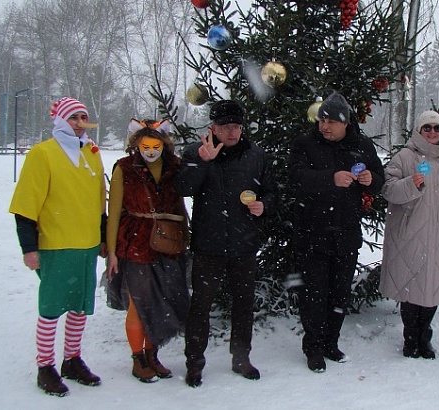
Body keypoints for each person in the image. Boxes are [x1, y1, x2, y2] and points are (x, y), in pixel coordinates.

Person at [176, 100, 277, 388]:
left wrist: (263, 205)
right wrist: (202, 162)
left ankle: (241, 358)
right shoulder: (196, 153)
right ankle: (194, 362)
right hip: (208, 245)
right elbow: (182, 188)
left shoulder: (256, 156)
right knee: (200, 305)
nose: (233, 133)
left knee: (243, 305)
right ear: (213, 128)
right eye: (226, 127)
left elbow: (272, 193)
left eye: (237, 127)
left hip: (243, 244)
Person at [9, 97, 106, 397]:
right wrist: (29, 247)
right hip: (56, 245)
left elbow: (99, 202)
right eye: (73, 117)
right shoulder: (43, 154)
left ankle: (72, 360)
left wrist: (103, 239)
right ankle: (45, 366)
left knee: (79, 307)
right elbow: (26, 206)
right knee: (51, 308)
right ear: (61, 120)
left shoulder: (92, 153)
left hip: (87, 245)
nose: (79, 123)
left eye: (83, 117)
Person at [289, 91, 385, 373]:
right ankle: (314, 348)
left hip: (346, 234)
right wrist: (329, 179)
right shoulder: (305, 143)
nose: (325, 126)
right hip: (312, 232)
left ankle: (332, 342)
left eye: (331, 122)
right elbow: (295, 177)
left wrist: (370, 180)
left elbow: (378, 179)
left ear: (345, 123)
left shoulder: (361, 145)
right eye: (322, 120)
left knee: (339, 294)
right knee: (314, 294)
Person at [379, 110, 439, 360]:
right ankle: (410, 338)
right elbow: (388, 190)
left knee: (433, 287)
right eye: (427, 128)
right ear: (419, 130)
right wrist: (411, 184)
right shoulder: (404, 157)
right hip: (409, 233)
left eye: (437, 128)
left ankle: (424, 337)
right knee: (410, 288)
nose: (432, 132)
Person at [105, 119, 190, 383]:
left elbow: (182, 204)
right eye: (145, 146)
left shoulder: (176, 167)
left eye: (156, 146)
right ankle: (137, 358)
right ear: (136, 144)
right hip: (134, 243)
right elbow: (114, 212)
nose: (151, 151)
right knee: (138, 303)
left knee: (162, 302)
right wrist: (111, 251)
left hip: (168, 244)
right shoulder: (124, 168)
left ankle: (152, 354)